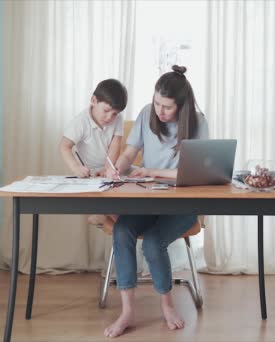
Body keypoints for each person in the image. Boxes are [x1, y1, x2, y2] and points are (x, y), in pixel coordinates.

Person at [104, 65, 208, 338]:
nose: (160, 111)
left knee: (152, 242)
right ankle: (127, 311)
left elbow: (192, 173)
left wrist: (151, 170)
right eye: (156, 103)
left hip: (183, 205)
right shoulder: (145, 115)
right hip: (149, 200)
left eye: (167, 107)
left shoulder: (198, 123)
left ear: (182, 107)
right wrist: (118, 166)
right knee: (122, 230)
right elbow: (129, 153)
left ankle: (167, 305)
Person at [59, 78, 127, 225]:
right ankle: (107, 217)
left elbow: (115, 145)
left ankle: (125, 222)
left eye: (115, 113)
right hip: (91, 173)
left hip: (111, 167)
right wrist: (76, 168)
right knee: (117, 210)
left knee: (136, 176)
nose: (110, 117)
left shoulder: (118, 119)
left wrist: (108, 168)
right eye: (106, 111)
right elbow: (64, 146)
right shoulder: (80, 122)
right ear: (93, 100)